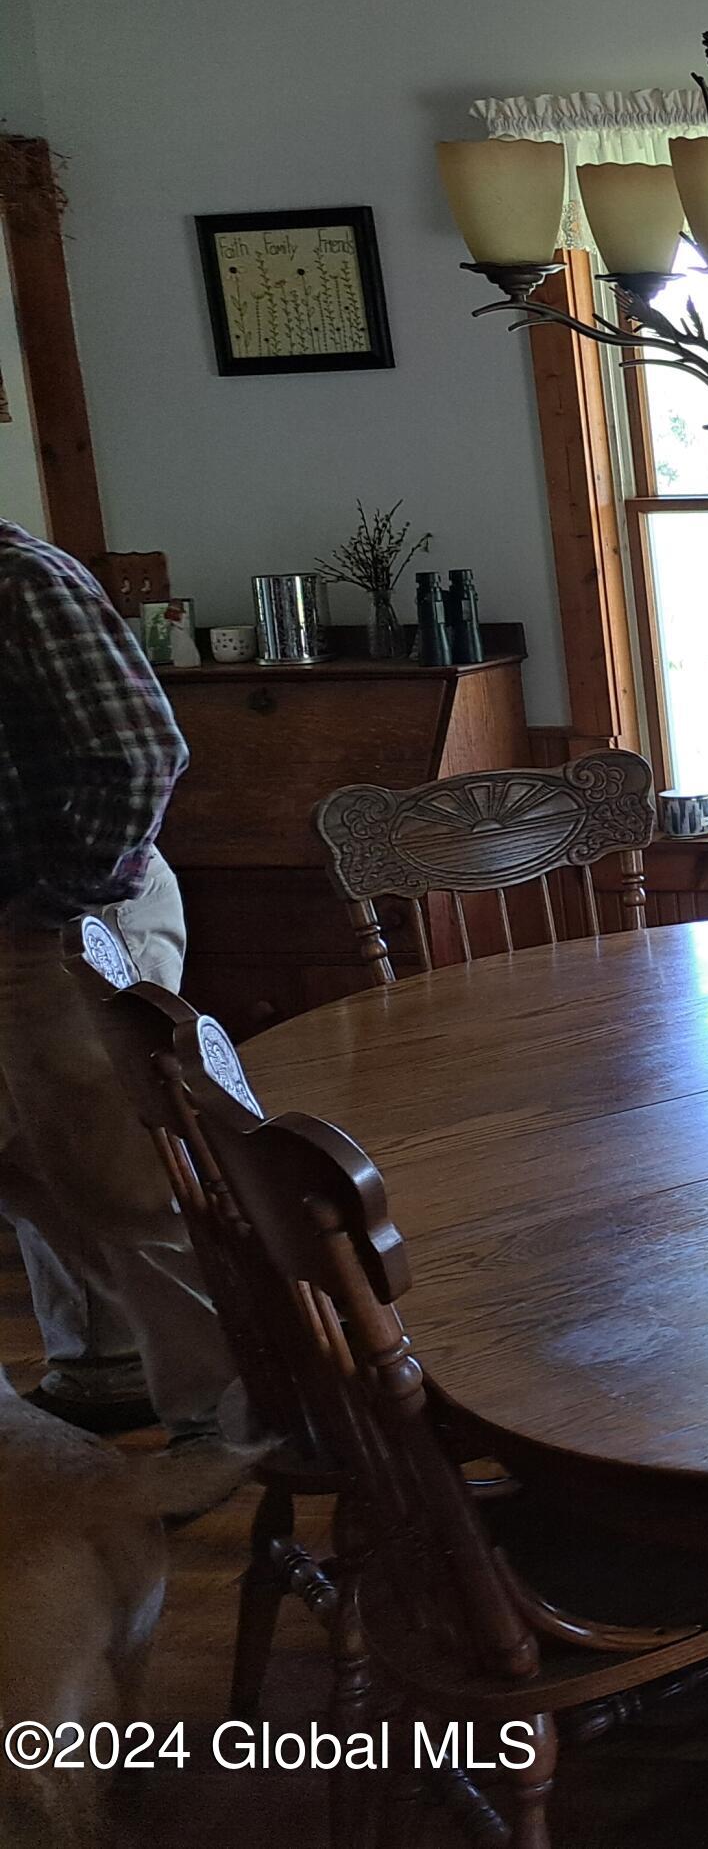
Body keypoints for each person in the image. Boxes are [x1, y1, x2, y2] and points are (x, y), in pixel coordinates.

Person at [0, 519, 229, 1436]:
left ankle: (234, 1421)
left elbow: (142, 754)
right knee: (31, 1167)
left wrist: (49, 907)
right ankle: (114, 1373)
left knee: (134, 1189)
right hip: (27, 914)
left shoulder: (18, 581)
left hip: (65, 915)